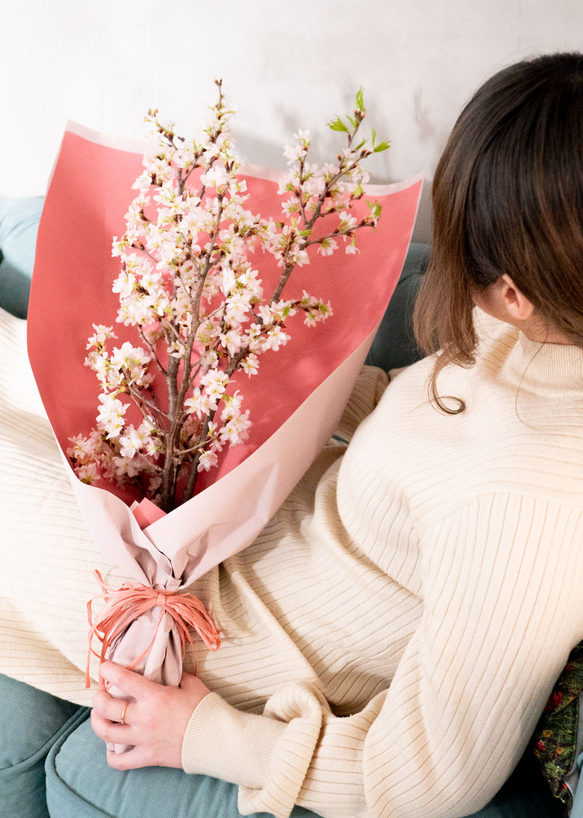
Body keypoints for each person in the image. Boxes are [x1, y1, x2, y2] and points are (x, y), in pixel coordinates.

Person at [1, 51, 582, 818]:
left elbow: (425, 777)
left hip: (225, 623)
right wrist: (262, 380)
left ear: (514, 289)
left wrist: (206, 734)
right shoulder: (540, 337)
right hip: (249, 514)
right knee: (39, 357)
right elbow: (431, 428)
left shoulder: (530, 503)